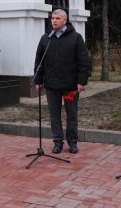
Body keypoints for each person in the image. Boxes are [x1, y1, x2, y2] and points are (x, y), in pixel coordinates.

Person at [34, 9, 90, 154]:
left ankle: (72, 142)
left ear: (65, 21)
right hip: (51, 85)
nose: (54, 20)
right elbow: (39, 61)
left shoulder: (76, 38)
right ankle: (57, 141)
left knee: (71, 114)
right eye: (52, 18)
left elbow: (84, 62)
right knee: (54, 114)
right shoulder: (46, 38)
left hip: (70, 85)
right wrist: (38, 80)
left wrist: (81, 82)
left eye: (57, 18)